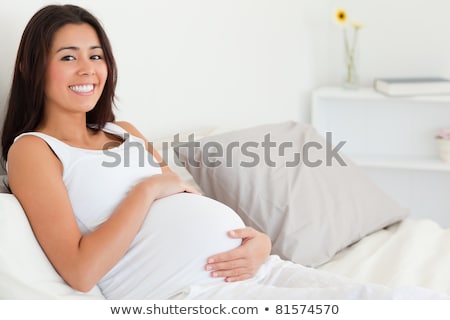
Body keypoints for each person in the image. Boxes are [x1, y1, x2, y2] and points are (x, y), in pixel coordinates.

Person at [1, 4, 446, 300]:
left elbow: (190, 204)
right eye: (68, 56)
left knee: (397, 302)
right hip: (190, 293)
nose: (87, 69)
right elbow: (81, 271)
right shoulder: (35, 151)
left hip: (257, 269)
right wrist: (148, 189)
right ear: (30, 65)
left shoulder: (125, 130)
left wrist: (260, 242)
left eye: (96, 56)